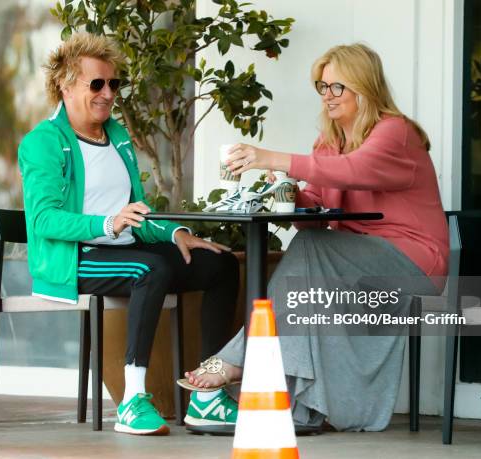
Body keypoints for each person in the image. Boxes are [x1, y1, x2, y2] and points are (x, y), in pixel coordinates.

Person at [180, 43, 449, 432]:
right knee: (307, 263)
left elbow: (357, 170)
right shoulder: (329, 140)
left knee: (309, 251)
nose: (327, 96)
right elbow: (315, 217)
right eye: (322, 87)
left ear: (364, 87)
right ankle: (296, 409)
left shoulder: (396, 131)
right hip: (350, 258)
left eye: (337, 87)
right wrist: (288, 193)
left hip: (413, 260)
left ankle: (239, 360)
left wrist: (270, 157)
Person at [18, 32, 239, 435]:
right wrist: (106, 224)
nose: (108, 93)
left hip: (125, 249)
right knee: (149, 268)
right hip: (77, 257)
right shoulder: (43, 143)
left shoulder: (116, 135)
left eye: (114, 83)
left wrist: (176, 235)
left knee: (220, 265)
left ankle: (206, 396)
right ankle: (132, 400)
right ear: (65, 86)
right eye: (96, 84)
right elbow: (43, 220)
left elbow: (135, 211)